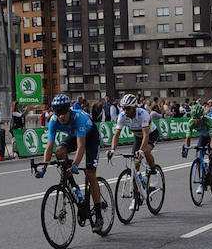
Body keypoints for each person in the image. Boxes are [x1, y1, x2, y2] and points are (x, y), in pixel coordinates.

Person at [38, 93, 106, 225]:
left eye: (64, 112)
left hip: (90, 137)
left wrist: (75, 164)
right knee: (59, 152)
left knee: (90, 174)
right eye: (58, 113)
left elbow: (81, 147)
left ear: (69, 110)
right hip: (74, 136)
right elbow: (50, 146)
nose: (61, 116)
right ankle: (74, 187)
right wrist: (43, 168)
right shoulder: (53, 120)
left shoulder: (78, 118)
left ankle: (98, 216)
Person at [109, 93, 160, 171]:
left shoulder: (142, 114)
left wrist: (141, 150)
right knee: (135, 165)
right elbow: (116, 135)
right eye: (124, 108)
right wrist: (112, 149)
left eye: (128, 108)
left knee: (145, 151)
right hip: (138, 136)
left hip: (151, 135)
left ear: (135, 107)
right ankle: (137, 180)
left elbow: (145, 135)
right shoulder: (122, 116)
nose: (125, 111)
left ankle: (153, 171)